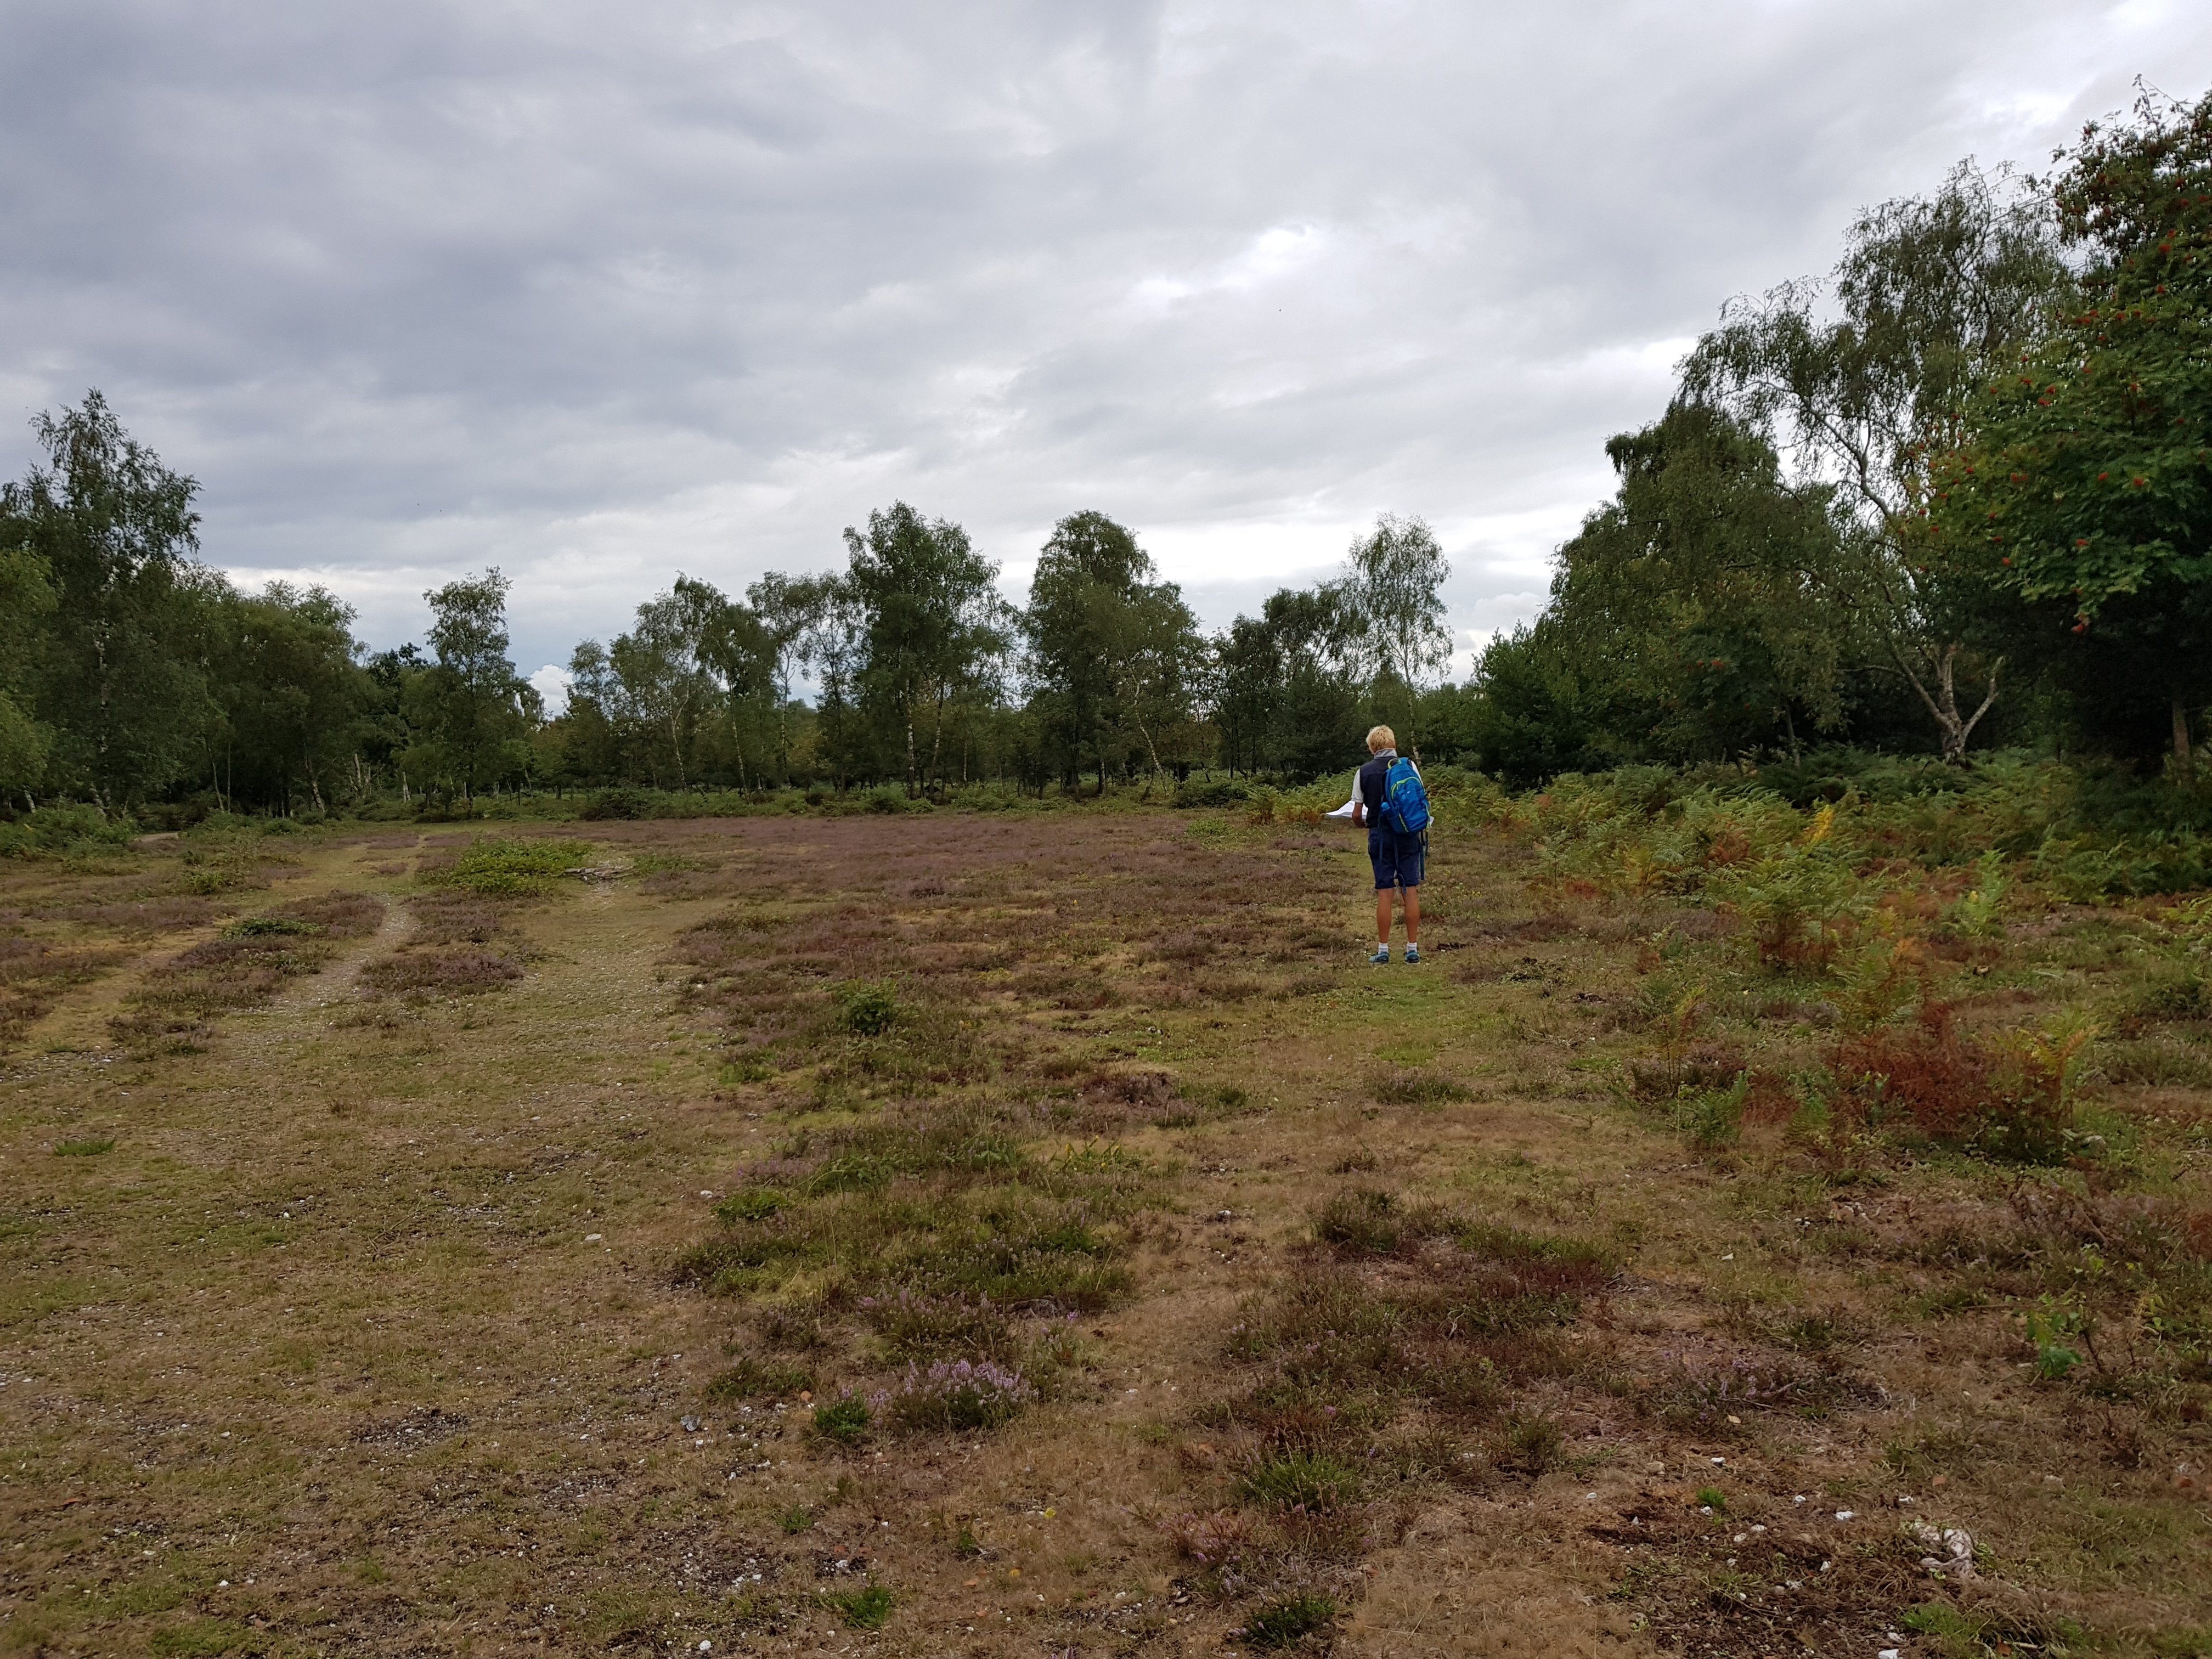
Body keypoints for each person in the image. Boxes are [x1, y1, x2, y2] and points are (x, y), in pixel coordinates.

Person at [1352, 724, 1423, 964]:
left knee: (1385, 893)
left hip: (1381, 836)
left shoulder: (1364, 771)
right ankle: (1412, 949)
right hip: (1408, 834)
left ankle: (1383, 951)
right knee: (1410, 890)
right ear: (1393, 745)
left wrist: (1363, 824)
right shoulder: (1409, 766)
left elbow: (1356, 814)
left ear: (1373, 747)